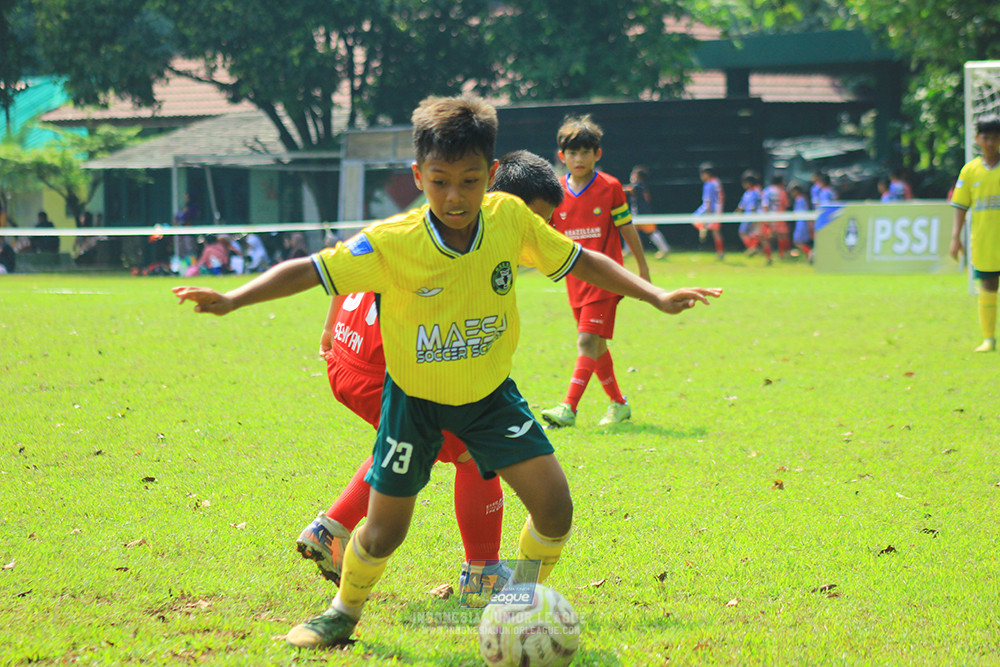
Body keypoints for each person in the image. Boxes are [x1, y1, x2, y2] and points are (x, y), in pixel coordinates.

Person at [172, 95, 721, 648]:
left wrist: (654, 293)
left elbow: (583, 260)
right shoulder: (394, 242)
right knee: (386, 531)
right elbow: (310, 270)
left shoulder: (510, 219)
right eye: (439, 181)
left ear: (493, 175)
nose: (455, 196)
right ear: (418, 176)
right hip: (414, 403)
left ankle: (513, 606)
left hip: (490, 398)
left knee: (555, 508)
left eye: (470, 180)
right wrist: (232, 299)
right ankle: (341, 613)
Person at [295, 150, 566, 591]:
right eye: (536, 221)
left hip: (347, 357)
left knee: (412, 443)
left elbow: (355, 253)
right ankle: (482, 575)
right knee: (473, 449)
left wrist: (330, 326)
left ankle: (331, 530)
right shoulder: (467, 246)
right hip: (376, 371)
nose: (543, 232)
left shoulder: (434, 219)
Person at [539, 114, 651, 428]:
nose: (578, 158)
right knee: (597, 345)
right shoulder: (555, 191)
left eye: (585, 152)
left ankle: (568, 408)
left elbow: (626, 227)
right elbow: (547, 234)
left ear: (597, 154)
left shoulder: (611, 187)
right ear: (562, 156)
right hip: (575, 280)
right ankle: (619, 404)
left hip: (606, 278)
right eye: (572, 153)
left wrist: (642, 268)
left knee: (587, 341)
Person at [950, 114, 1000, 352]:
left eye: (995, 137)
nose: (991, 142)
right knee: (988, 286)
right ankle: (988, 338)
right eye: (986, 137)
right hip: (984, 241)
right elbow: (961, 206)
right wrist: (955, 238)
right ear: (978, 138)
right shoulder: (970, 171)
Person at [624, 165, 669, 259]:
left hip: (641, 215)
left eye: (633, 175)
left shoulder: (637, 186)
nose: (631, 177)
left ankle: (664, 248)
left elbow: (625, 190)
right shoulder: (642, 186)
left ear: (638, 177)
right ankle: (627, 250)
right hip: (641, 214)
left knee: (650, 232)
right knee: (629, 230)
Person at [694, 162, 725, 260]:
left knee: (694, 219)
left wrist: (707, 215)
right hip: (718, 210)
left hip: (711, 210)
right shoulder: (717, 182)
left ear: (707, 174)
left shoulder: (709, 184)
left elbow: (708, 201)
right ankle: (720, 253)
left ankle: (703, 228)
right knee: (716, 232)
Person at [734, 170, 764, 259]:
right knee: (748, 234)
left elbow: (753, 207)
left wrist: (755, 219)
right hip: (748, 217)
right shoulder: (747, 193)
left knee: (745, 233)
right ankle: (753, 248)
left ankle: (753, 248)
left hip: (752, 217)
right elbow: (741, 206)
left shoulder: (755, 192)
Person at [762, 175, 790, 260]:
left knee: (766, 237)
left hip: (768, 216)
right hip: (780, 216)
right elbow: (786, 204)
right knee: (782, 236)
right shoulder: (782, 191)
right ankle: (782, 255)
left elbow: (765, 205)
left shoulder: (766, 191)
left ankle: (768, 257)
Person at [789, 182, 813, 263]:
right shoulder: (801, 199)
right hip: (801, 223)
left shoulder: (800, 200)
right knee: (799, 242)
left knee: (797, 241)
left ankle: (810, 253)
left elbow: (803, 212)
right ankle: (809, 257)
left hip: (802, 223)